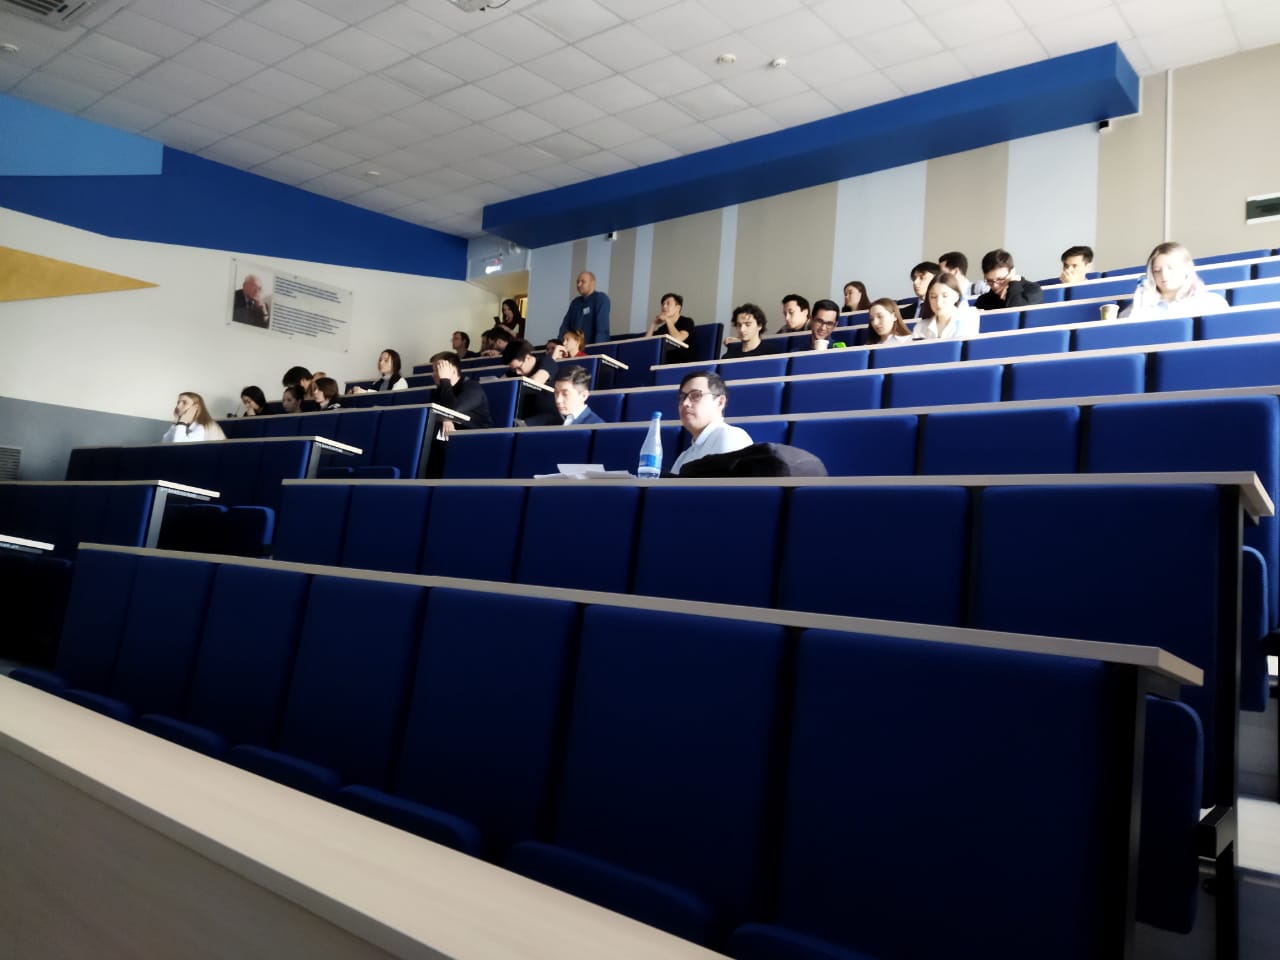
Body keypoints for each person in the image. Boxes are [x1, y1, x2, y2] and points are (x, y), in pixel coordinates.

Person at [1119, 241, 1230, 320]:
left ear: (1187, 268)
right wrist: (1139, 307)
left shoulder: (1211, 302)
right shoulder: (1140, 305)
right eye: (1157, 270)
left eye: (1171, 268)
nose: (1164, 275)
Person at [670, 372, 753, 476]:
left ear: (720, 402)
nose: (685, 403)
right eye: (682, 397)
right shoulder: (684, 456)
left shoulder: (731, 436)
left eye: (696, 395)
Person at [430, 351, 493, 434]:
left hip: (477, 435)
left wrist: (445, 379)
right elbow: (433, 413)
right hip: (452, 434)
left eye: (438, 370)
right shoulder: (439, 390)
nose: (433, 375)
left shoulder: (472, 388)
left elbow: (452, 411)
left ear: (452, 370)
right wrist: (446, 419)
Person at [527, 365, 604, 426]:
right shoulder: (550, 421)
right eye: (556, 392)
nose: (558, 400)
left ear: (584, 395)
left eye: (565, 394)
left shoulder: (597, 427)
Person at [503, 339, 558, 420]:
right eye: (514, 369)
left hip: (544, 413)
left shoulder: (547, 362)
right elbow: (501, 382)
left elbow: (534, 383)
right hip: (522, 414)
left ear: (528, 357)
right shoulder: (514, 370)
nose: (517, 372)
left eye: (519, 368)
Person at [914, 274, 979, 340]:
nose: (938, 302)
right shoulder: (920, 327)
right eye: (933, 297)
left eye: (945, 296)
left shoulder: (969, 317)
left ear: (957, 296)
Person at [974, 249, 1043, 309]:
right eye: (989, 281)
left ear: (1012, 272)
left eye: (1000, 279)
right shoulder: (983, 301)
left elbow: (1015, 312)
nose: (995, 286)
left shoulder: (1033, 290)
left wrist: (1013, 284)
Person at [559, 271, 610, 344]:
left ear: (592, 283)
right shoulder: (575, 303)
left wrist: (598, 348)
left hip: (591, 347)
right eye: (577, 282)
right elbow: (564, 327)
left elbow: (602, 329)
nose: (579, 285)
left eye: (583, 282)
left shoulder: (600, 298)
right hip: (575, 348)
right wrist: (560, 345)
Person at [647, 292, 695, 363]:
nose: (664, 306)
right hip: (663, 364)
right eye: (663, 304)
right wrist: (653, 324)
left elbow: (678, 339)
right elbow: (646, 345)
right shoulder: (663, 328)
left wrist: (667, 319)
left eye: (668, 303)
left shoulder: (687, 321)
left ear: (678, 308)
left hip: (682, 363)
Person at [161, 392, 226, 443]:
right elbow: (165, 442)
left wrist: (182, 422)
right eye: (178, 402)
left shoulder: (203, 426)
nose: (178, 406)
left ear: (196, 407)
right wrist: (177, 424)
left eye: (184, 403)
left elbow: (178, 447)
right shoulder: (186, 424)